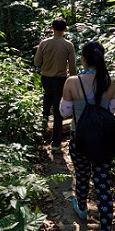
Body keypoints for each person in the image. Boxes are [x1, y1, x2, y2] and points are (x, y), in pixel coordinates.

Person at [60, 41, 115, 231]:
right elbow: (110, 112)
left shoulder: (72, 82)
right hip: (103, 143)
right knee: (103, 187)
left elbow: (65, 112)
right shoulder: (110, 82)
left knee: (82, 175)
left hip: (80, 141)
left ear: (82, 59)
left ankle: (82, 208)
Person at [33, 18, 77, 152]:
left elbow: (36, 63)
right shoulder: (68, 45)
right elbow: (73, 66)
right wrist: (73, 79)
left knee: (47, 95)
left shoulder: (44, 43)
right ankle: (56, 143)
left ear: (52, 28)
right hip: (61, 80)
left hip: (46, 78)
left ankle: (45, 115)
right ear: (65, 29)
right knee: (58, 110)